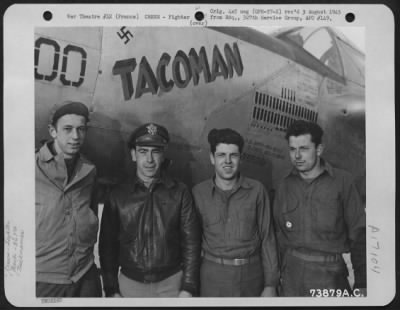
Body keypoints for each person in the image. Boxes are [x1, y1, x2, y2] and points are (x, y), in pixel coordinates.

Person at [99, 123, 201, 297]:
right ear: (133, 154)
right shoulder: (117, 195)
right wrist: (111, 289)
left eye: (155, 151)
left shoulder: (180, 192)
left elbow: (191, 244)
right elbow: (107, 247)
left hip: (171, 284)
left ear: (163, 155)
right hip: (130, 285)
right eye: (143, 151)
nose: (149, 160)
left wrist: (188, 287)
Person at [273, 120, 366, 297]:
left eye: (304, 148)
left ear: (319, 149)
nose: (297, 156)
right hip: (291, 277)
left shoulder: (342, 182)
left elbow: (359, 235)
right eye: (293, 149)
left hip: (330, 277)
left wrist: (362, 282)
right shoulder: (284, 185)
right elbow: (278, 236)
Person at [192, 128, 279, 297]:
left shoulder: (257, 191)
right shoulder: (198, 193)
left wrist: (270, 284)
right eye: (221, 155)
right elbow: (191, 244)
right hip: (212, 277)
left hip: (251, 276)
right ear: (212, 158)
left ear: (240, 158)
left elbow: (268, 239)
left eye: (233, 155)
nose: (228, 161)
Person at [35, 101, 102, 297]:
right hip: (45, 277)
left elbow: (91, 211)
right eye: (68, 129)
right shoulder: (30, 167)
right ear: (53, 131)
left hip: (85, 272)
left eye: (81, 129)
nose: (75, 136)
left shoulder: (89, 170)